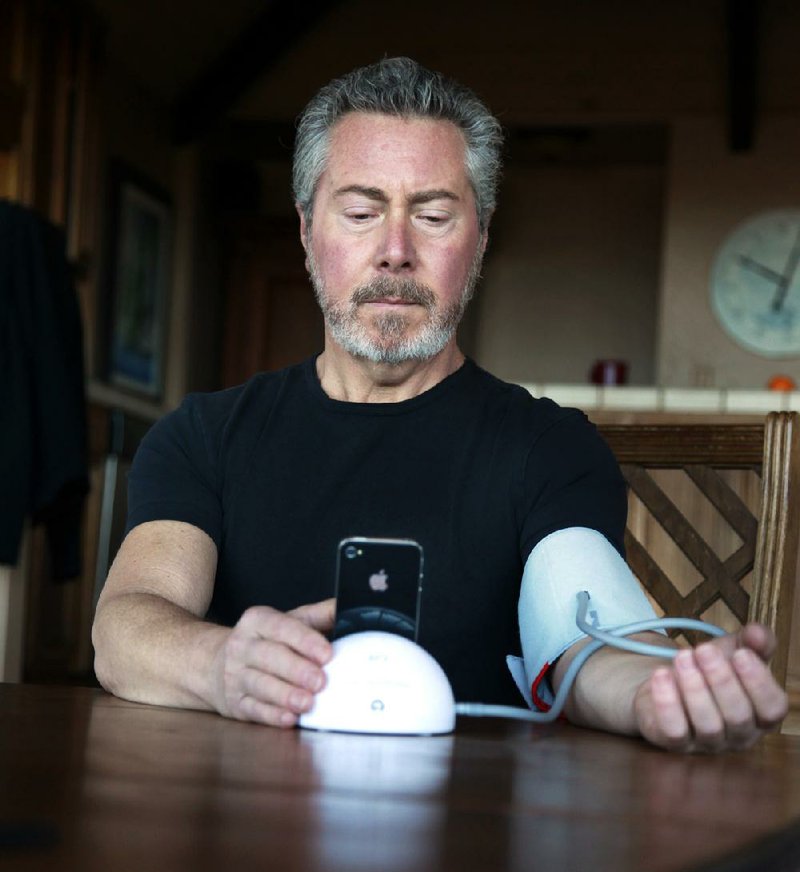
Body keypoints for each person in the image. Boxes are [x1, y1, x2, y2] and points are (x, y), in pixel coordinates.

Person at [92, 57, 788, 752]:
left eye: (432, 215)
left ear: (480, 239)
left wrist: (655, 693)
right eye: (362, 213)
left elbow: (585, 645)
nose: (395, 251)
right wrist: (218, 666)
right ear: (307, 231)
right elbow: (127, 627)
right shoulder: (203, 438)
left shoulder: (549, 449)